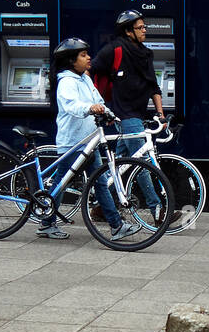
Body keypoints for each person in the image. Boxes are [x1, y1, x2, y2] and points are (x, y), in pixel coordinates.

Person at [38, 38, 136, 241]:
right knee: (61, 183)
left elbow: (98, 101)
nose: (88, 57)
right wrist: (89, 108)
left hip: (89, 141)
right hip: (72, 143)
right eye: (83, 55)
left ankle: (117, 226)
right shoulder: (66, 82)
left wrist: (109, 114)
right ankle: (47, 223)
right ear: (71, 61)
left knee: (100, 183)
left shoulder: (85, 79)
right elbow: (71, 106)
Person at [91, 9, 172, 227]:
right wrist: (93, 101)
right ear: (128, 31)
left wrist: (160, 114)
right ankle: (157, 209)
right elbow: (90, 70)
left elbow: (153, 86)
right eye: (140, 27)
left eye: (145, 27)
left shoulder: (146, 53)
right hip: (124, 114)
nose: (145, 30)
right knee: (140, 162)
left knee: (120, 165)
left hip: (139, 112)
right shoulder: (113, 50)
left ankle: (101, 205)